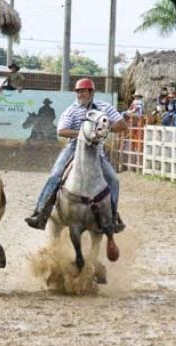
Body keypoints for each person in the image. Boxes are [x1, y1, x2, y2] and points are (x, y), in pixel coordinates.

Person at [24, 78, 126, 232]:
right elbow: (61, 130)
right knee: (55, 175)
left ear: (91, 92)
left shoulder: (105, 107)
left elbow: (122, 125)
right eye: (78, 92)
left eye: (83, 91)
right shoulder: (71, 110)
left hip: (97, 150)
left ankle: (111, 218)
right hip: (73, 147)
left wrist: (105, 127)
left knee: (113, 180)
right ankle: (40, 213)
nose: (80, 94)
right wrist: (85, 133)